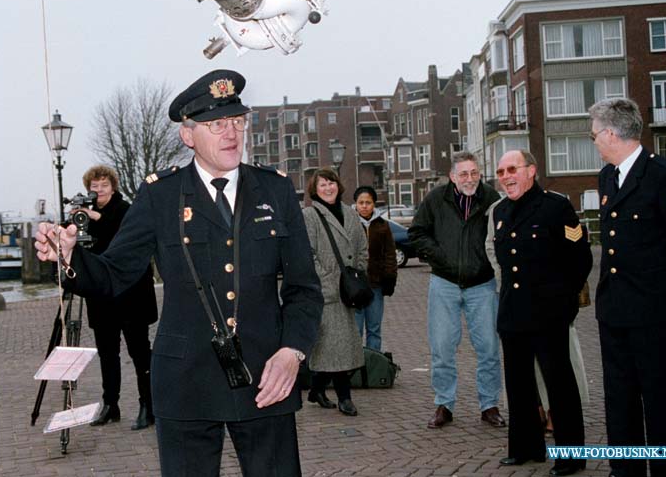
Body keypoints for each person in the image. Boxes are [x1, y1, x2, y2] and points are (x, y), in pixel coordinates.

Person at [35, 70, 323, 477]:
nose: (231, 133)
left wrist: (292, 351)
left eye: (237, 122)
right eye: (216, 124)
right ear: (188, 136)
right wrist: (69, 259)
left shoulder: (274, 190)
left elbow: (304, 289)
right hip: (186, 380)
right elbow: (115, 274)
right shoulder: (160, 195)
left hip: (266, 376)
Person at [589, 98, 666, 477]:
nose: (594, 142)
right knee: (619, 405)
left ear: (610, 133)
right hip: (615, 315)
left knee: (662, 407)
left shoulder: (663, 175)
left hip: (656, 318)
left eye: (594, 135)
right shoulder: (607, 177)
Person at [484, 150, 591, 475]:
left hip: (549, 314)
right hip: (513, 313)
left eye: (512, 169)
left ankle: (571, 458)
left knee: (559, 386)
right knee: (518, 386)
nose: (505, 176)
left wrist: (564, 303)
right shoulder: (500, 211)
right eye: (501, 171)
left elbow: (580, 259)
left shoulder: (555, 207)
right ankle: (525, 448)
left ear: (531, 170)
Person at [408, 151, 505, 429]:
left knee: (488, 347)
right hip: (445, 283)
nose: (470, 179)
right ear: (452, 176)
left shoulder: (491, 199)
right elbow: (417, 232)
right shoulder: (437, 199)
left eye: (474, 172)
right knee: (442, 348)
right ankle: (444, 404)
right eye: (463, 173)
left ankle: (489, 405)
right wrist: (439, 256)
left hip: (482, 284)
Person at [75, 164, 158, 430]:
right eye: (94, 186)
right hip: (101, 297)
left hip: (130, 294)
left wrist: (96, 218)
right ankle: (111, 405)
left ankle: (149, 405)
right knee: (107, 354)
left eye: (104, 185)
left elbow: (122, 240)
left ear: (113, 187)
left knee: (139, 351)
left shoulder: (126, 210)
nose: (98, 191)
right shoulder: (83, 215)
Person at [302, 168, 368, 416]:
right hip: (328, 291)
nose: (328, 188)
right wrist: (325, 278)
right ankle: (345, 398)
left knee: (337, 347)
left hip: (350, 291)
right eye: (322, 185)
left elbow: (362, 245)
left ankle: (316, 389)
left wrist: (360, 271)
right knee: (336, 346)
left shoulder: (350, 213)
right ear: (314, 191)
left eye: (331, 183)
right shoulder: (310, 215)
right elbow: (307, 253)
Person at [353, 186, 397, 351]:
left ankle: (373, 366)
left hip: (376, 285)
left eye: (368, 203)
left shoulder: (382, 225)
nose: (364, 206)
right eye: (361, 202)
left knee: (374, 329)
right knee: (355, 330)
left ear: (374, 204)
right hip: (355, 286)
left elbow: (390, 254)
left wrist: (390, 278)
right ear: (355, 204)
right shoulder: (349, 223)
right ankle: (355, 368)